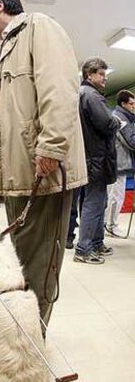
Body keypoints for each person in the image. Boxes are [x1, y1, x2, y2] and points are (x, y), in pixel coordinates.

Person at [0, 0, 87, 326]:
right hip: (20, 175)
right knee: (22, 259)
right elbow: (21, 104)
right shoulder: (9, 46)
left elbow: (59, 87)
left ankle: (30, 340)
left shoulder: (38, 27)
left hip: (43, 172)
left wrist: (52, 146)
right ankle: (19, 332)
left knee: (38, 262)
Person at [74, 58, 119, 264]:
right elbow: (107, 123)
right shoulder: (91, 95)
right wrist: (117, 121)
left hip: (90, 157)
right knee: (94, 203)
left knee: (95, 202)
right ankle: (84, 249)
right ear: (89, 75)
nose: (104, 78)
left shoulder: (83, 94)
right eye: (101, 74)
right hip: (96, 158)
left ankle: (96, 243)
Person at [105, 89, 135, 237]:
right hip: (118, 163)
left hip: (117, 162)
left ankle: (108, 224)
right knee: (116, 196)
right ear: (123, 104)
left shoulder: (122, 118)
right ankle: (111, 225)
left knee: (113, 195)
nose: (133, 106)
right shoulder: (121, 119)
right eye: (131, 104)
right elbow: (132, 142)